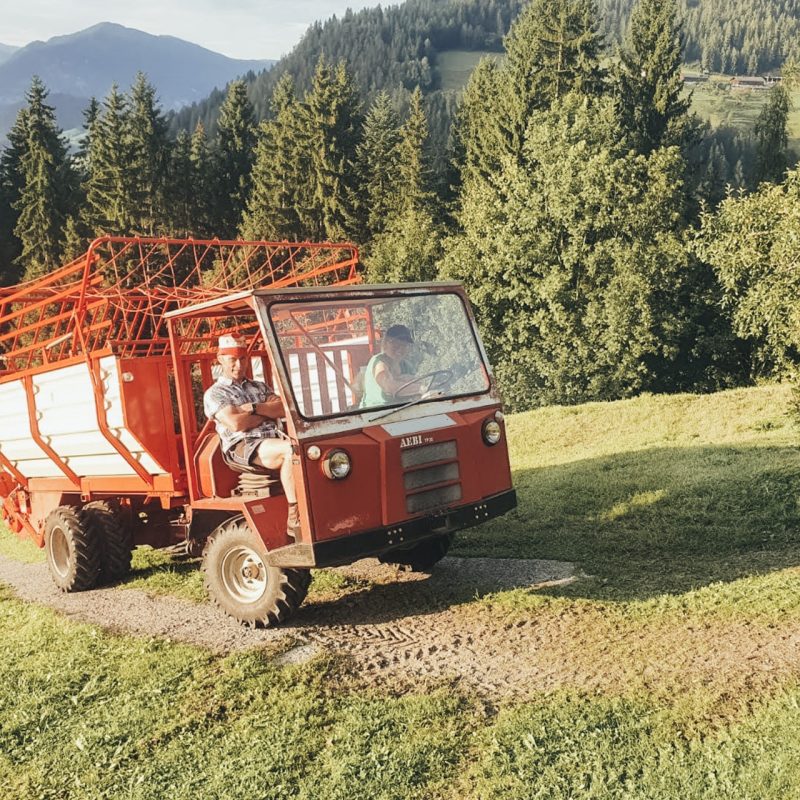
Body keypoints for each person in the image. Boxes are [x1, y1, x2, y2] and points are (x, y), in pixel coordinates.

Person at [203, 335, 299, 538]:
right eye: (233, 360)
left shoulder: (259, 387)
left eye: (243, 359)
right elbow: (236, 424)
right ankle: (295, 516)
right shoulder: (216, 393)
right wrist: (265, 414)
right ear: (220, 359)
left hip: (270, 440)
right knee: (290, 450)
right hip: (242, 446)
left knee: (307, 450)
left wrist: (253, 408)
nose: (239, 365)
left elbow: (283, 408)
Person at [360, 324, 422, 407]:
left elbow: (417, 384)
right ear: (385, 343)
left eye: (404, 345)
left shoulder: (407, 366)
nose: (400, 348)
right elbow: (389, 386)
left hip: (403, 412)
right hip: (376, 415)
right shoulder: (379, 361)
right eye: (395, 343)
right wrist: (421, 389)